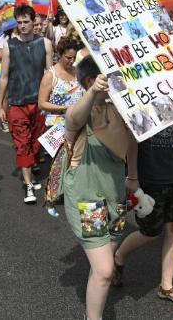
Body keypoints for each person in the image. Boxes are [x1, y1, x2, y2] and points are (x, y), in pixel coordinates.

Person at [61, 56, 138, 320]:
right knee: (105, 270)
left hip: (116, 196)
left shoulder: (119, 109)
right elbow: (72, 119)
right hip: (87, 201)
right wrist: (93, 92)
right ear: (91, 81)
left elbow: (133, 140)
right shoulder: (81, 111)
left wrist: (134, 177)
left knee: (104, 260)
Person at [113, 116, 173, 307]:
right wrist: (133, 176)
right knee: (150, 232)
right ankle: (119, 256)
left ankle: (166, 286)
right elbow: (132, 136)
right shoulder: (140, 94)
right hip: (148, 175)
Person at [0, 5, 53, 204]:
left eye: (26, 21)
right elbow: (3, 78)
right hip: (17, 103)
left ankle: (32, 170)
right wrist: (0, 105)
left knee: (37, 143)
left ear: (33, 21)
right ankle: (28, 184)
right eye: (19, 22)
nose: (22, 26)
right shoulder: (9, 46)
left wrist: (53, 100)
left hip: (40, 104)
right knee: (22, 144)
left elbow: (50, 74)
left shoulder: (45, 44)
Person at [38, 37, 83, 127]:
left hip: (77, 123)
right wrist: (65, 108)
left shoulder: (78, 71)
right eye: (68, 58)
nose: (72, 61)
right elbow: (42, 104)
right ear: (59, 55)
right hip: (56, 125)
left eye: (74, 57)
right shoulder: (50, 75)